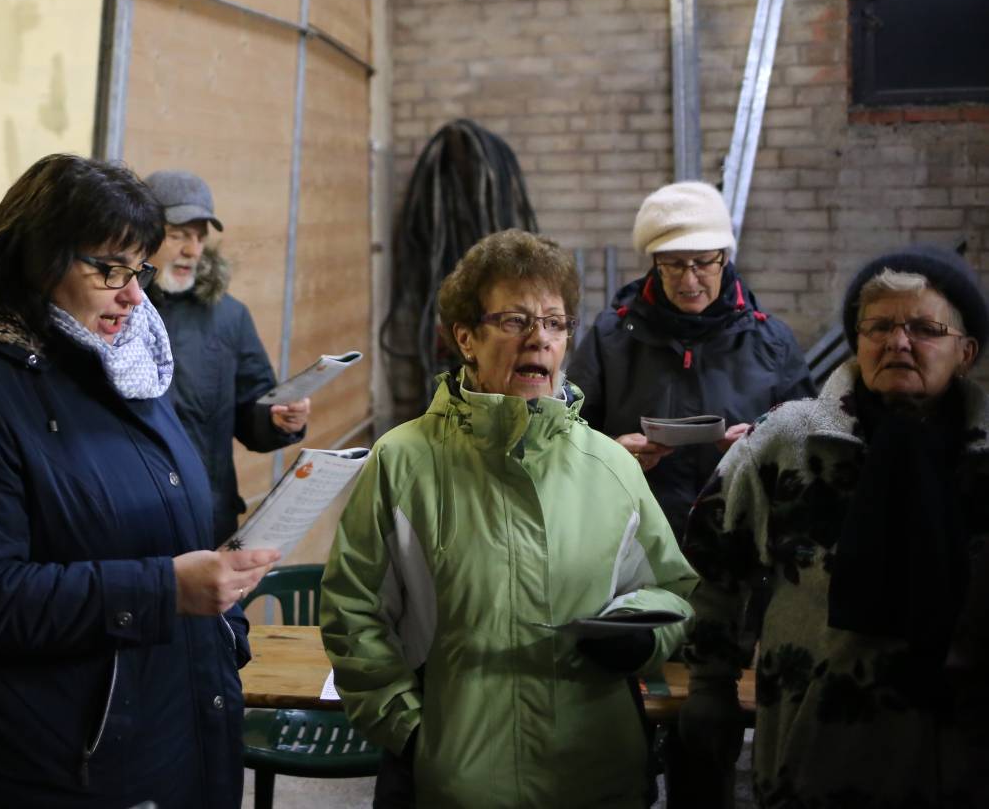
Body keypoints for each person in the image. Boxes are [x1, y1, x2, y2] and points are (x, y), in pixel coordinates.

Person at [0, 153, 280, 808]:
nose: (134, 294)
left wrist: (220, 620)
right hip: (53, 765)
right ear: (37, 262)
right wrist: (167, 591)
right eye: (109, 269)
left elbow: (165, 521)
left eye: (138, 269)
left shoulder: (128, 368)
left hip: (163, 722)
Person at [320, 229, 697, 807]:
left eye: (554, 322)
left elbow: (672, 589)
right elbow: (352, 614)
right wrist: (415, 734)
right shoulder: (403, 460)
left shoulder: (611, 466)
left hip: (597, 777)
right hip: (457, 782)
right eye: (515, 321)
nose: (539, 340)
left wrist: (638, 637)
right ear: (466, 338)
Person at [680, 245, 989, 807]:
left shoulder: (983, 460)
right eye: (879, 327)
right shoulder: (791, 440)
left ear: (965, 352)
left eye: (925, 327)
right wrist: (709, 688)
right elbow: (711, 564)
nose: (898, 342)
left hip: (961, 756)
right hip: (812, 752)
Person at [568, 180, 814, 539]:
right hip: (634, 539)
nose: (689, 279)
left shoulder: (771, 342)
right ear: (655, 263)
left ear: (725, 258)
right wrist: (612, 454)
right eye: (673, 264)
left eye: (703, 263)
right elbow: (566, 436)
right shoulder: (613, 337)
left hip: (740, 540)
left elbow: (811, 447)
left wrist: (764, 446)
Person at [143, 168, 310, 546]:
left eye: (200, 238)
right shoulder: (116, 310)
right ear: (143, 233)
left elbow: (254, 408)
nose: (192, 250)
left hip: (208, 520)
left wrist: (281, 420)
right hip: (131, 520)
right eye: (178, 235)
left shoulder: (230, 316)